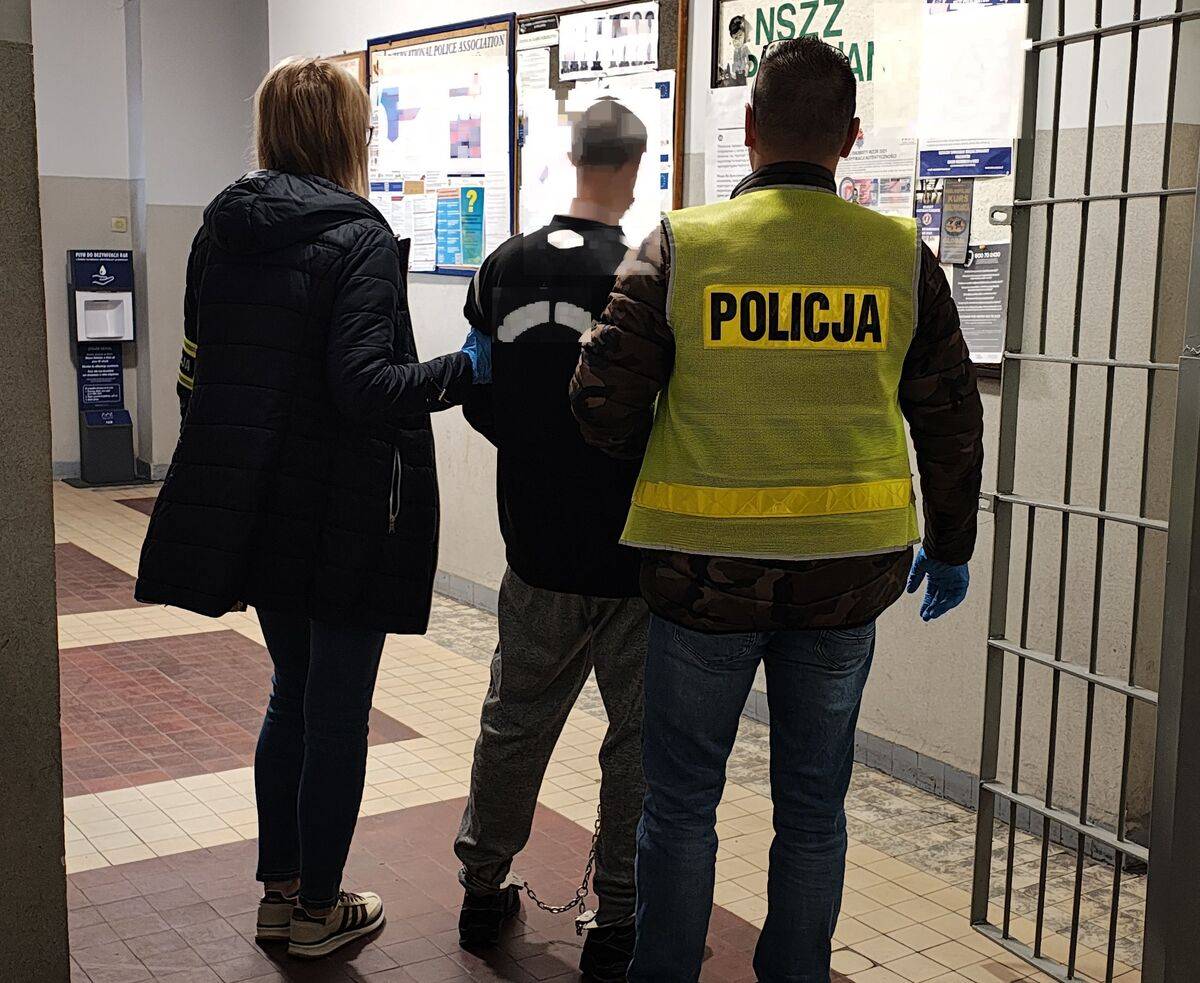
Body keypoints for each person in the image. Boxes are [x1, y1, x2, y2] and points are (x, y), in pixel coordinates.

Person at [570, 37, 984, 983]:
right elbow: (951, 417)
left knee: (681, 803)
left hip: (700, 577)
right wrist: (951, 543)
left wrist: (664, 449)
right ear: (851, 137)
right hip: (849, 577)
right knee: (813, 807)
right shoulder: (899, 258)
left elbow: (598, 401)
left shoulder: (682, 245)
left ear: (749, 128)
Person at [136, 57, 490, 960]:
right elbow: (365, 385)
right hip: (344, 516)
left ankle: (281, 895)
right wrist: (465, 369)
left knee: (290, 695)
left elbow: (197, 373)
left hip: (260, 509)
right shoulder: (358, 236)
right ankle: (321, 909)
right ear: (343, 136)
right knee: (336, 715)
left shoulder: (220, 230)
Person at [451, 99, 651, 983]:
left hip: (533, 544)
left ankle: (481, 886)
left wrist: (532, 449)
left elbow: (475, 379)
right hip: (632, 555)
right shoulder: (647, 272)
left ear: (571, 157)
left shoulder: (505, 264)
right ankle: (617, 918)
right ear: (635, 166)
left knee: (515, 720)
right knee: (636, 741)